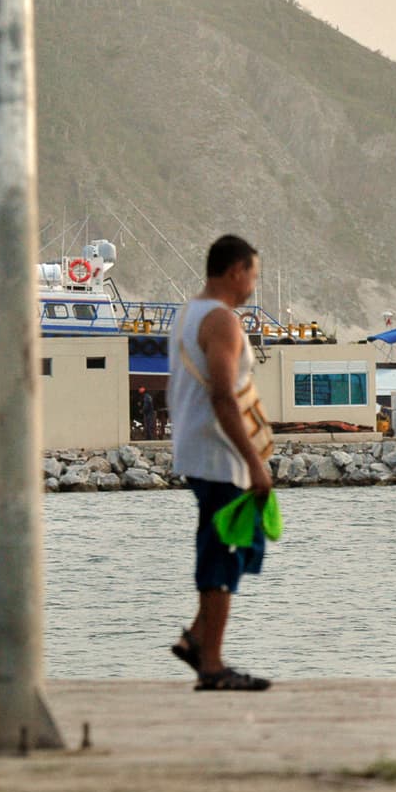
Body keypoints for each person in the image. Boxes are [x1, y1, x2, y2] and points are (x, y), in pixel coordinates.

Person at [167, 234, 274, 691]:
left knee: (232, 544)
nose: (253, 284)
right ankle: (211, 665)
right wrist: (254, 462)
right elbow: (223, 396)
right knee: (222, 554)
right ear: (236, 271)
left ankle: (196, 638)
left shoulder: (187, 314)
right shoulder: (223, 321)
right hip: (220, 455)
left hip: (198, 451)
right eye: (253, 275)